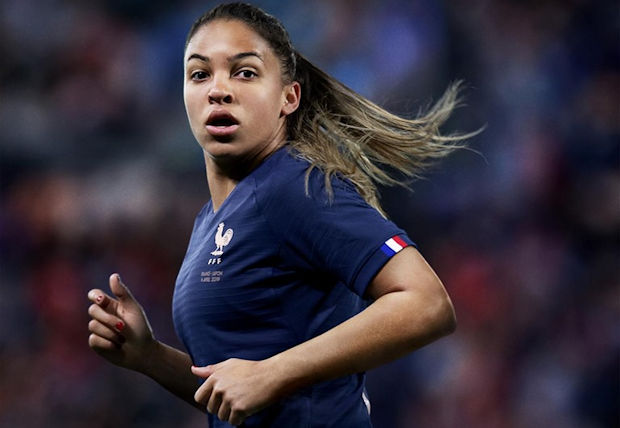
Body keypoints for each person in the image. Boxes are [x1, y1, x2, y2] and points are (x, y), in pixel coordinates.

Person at [87, 3, 472, 427]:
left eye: (245, 72)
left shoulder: (293, 186)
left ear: (289, 97)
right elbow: (241, 395)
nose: (218, 89)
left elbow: (427, 303)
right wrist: (150, 357)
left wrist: (273, 373)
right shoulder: (210, 220)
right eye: (200, 74)